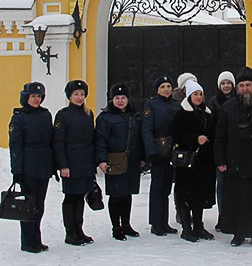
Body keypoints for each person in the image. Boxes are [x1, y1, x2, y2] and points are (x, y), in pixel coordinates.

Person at [215, 66, 252, 247]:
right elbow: (220, 136)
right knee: (236, 200)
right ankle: (238, 233)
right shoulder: (228, 107)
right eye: (242, 85)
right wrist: (220, 160)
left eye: (248, 85)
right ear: (237, 88)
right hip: (235, 161)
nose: (245, 88)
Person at [96, 82, 146, 241]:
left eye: (123, 97)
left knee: (127, 194)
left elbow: (141, 138)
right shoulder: (105, 117)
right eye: (117, 98)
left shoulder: (135, 116)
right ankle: (116, 227)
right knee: (116, 194)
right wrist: (102, 160)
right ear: (112, 100)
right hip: (115, 159)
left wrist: (143, 157)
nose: (120, 101)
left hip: (132, 159)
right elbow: (100, 140)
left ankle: (126, 224)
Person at [9, 82, 54, 253]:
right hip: (28, 167)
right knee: (29, 205)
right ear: (26, 97)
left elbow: (50, 141)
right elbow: (15, 146)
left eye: (39, 96)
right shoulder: (19, 117)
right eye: (33, 96)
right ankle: (27, 241)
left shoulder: (45, 115)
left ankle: (37, 238)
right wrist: (17, 171)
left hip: (43, 166)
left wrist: (53, 165)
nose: (36, 99)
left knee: (39, 204)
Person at [172, 80, 217, 242]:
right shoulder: (182, 114)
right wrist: (195, 139)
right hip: (187, 163)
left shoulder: (207, 113)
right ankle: (186, 228)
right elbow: (177, 136)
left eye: (200, 94)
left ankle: (198, 226)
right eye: (195, 94)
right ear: (189, 96)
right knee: (185, 195)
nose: (198, 97)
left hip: (204, 162)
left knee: (200, 195)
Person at [53, 80, 96, 246]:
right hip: (71, 162)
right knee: (71, 197)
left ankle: (79, 229)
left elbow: (91, 138)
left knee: (81, 196)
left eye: (82, 94)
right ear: (69, 96)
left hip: (85, 162)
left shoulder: (88, 113)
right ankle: (70, 232)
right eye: (76, 94)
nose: (79, 97)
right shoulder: (63, 115)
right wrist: (63, 165)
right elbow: (58, 142)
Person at [142, 75, 181, 236]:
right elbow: (146, 130)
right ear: (157, 89)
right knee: (157, 188)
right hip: (158, 151)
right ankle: (156, 223)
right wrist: (152, 152)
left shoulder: (176, 105)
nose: (166, 89)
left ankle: (164, 221)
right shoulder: (151, 105)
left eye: (168, 86)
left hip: (171, 152)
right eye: (163, 87)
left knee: (166, 189)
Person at [206, 70, 236, 230]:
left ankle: (234, 215)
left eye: (228, 83)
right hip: (221, 145)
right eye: (223, 83)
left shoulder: (239, 99)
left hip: (236, 147)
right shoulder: (213, 102)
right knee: (222, 183)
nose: (226, 86)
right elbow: (211, 123)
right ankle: (222, 215)